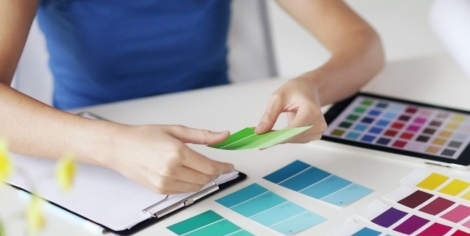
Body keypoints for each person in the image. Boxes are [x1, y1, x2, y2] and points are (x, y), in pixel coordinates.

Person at [0, 0, 384, 194]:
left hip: (218, 146)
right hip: (87, 154)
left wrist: (315, 85)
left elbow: (363, 43)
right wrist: (114, 147)